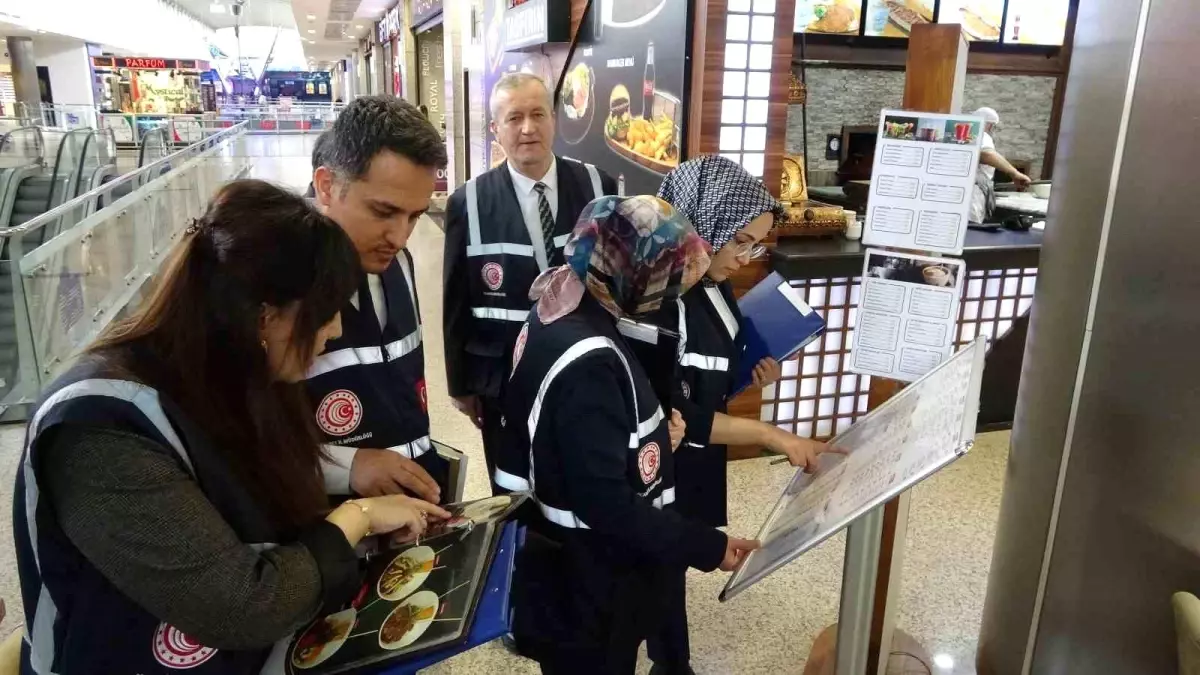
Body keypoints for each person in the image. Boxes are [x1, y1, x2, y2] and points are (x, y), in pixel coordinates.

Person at [13, 180, 449, 673]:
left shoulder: (235, 377)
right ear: (264, 318)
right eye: (324, 316)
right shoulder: (99, 428)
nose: (336, 332)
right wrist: (359, 517)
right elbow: (243, 605)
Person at [500, 194, 760, 674]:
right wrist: (710, 547)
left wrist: (658, 435)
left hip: (566, 566)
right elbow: (605, 502)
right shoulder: (588, 357)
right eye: (665, 277)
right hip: (586, 583)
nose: (668, 294)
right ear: (630, 270)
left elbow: (577, 440)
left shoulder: (562, 303)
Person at [651, 155, 827, 675]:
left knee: (675, 554)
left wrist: (746, 376)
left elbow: (708, 378)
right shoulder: (668, 296)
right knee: (661, 555)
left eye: (758, 244)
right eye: (741, 241)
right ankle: (670, 662)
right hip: (674, 452)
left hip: (701, 455)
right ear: (703, 224)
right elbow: (682, 413)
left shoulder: (717, 283)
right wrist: (772, 435)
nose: (748, 257)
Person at [443, 72, 616, 490]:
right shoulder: (468, 201)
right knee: (513, 483)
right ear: (495, 129)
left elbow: (619, 281)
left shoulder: (599, 186)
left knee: (583, 476)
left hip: (585, 369)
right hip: (503, 377)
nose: (527, 128)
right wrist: (461, 385)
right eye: (514, 117)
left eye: (538, 114)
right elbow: (455, 300)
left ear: (554, 119)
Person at [308, 96, 450, 502]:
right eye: (383, 212)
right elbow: (236, 446)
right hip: (326, 530)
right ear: (327, 186)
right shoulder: (270, 283)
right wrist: (346, 467)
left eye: (415, 216)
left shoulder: (398, 263)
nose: (400, 236)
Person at [970, 106, 1032, 224]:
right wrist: (1015, 173)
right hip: (972, 197)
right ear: (989, 125)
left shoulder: (967, 135)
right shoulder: (980, 133)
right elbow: (986, 154)